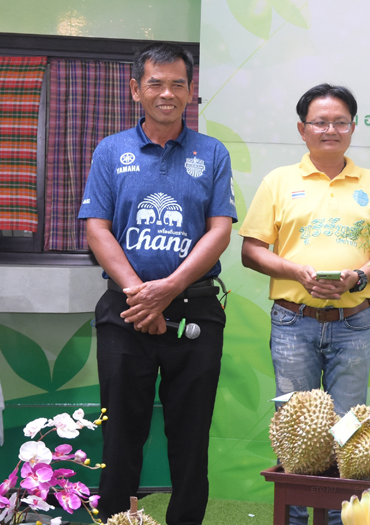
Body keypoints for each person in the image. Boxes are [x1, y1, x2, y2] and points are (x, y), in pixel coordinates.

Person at [78, 42, 236, 525]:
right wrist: (140, 294)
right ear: (135, 89)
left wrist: (168, 289)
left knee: (190, 437)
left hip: (196, 311)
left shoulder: (211, 153)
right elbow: (96, 228)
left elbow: (220, 229)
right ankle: (115, 520)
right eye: (155, 83)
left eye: (177, 84)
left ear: (191, 92)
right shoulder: (111, 150)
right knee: (121, 432)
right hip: (126, 312)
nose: (166, 93)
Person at [239, 84, 370, 525]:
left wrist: (359, 276)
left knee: (350, 430)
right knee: (295, 430)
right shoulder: (278, 181)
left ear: (352, 128)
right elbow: (251, 251)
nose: (331, 129)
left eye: (340, 122)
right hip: (294, 322)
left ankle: (338, 520)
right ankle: (292, 521)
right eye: (320, 122)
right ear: (302, 129)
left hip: (354, 322)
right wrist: (296, 272)